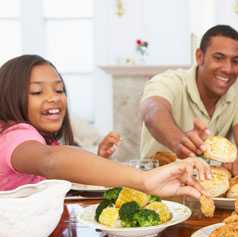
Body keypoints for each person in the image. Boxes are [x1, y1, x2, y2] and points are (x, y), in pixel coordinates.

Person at [0, 54, 211, 199]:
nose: (54, 98)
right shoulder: (16, 136)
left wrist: (98, 158)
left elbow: (63, 164)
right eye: (37, 92)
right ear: (10, 96)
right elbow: (50, 160)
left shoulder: (40, 140)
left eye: (59, 90)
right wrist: (144, 179)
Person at [139, 24, 238, 175]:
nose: (228, 68)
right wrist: (179, 142)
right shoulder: (169, 81)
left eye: (235, 61)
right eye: (219, 58)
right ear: (199, 56)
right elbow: (152, 112)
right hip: (157, 185)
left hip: (209, 189)